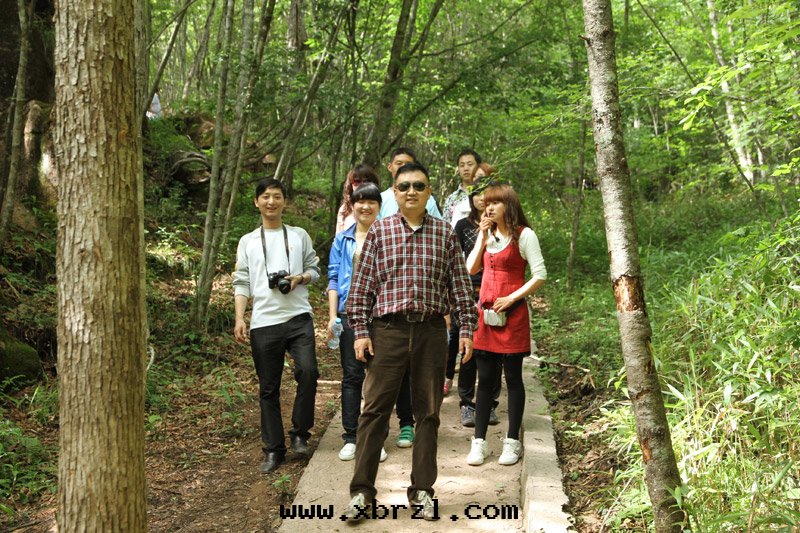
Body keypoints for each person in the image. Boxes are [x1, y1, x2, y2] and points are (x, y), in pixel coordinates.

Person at [343, 162, 477, 522]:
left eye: (419, 186)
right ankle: (361, 492)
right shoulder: (380, 231)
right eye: (404, 186)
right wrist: (360, 331)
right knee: (374, 412)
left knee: (428, 414)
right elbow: (361, 288)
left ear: (429, 192)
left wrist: (467, 330)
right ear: (395, 192)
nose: (412, 192)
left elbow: (460, 286)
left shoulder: (444, 233)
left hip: (431, 332)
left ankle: (422, 491)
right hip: (388, 332)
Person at [233, 178, 321, 474]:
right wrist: (240, 318)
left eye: (277, 196)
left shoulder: (298, 235)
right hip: (264, 322)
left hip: (298, 317)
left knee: (308, 372)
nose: (271, 201)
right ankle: (273, 449)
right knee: (268, 388)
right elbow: (241, 281)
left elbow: (314, 269)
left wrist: (301, 278)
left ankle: (300, 433)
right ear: (256, 202)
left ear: (285, 201)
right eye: (265, 197)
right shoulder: (248, 241)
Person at [464, 182, 546, 467]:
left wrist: (512, 297)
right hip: (486, 316)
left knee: (512, 379)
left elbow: (540, 274)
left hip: (512, 316)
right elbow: (471, 269)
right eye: (486, 203)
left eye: (495, 203)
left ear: (508, 205)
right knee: (485, 380)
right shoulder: (488, 236)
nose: (489, 207)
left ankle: (512, 442)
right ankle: (479, 442)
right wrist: (482, 236)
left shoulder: (525, 235)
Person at [327, 183, 389, 462]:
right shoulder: (343, 240)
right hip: (350, 314)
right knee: (352, 376)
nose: (365, 206)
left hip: (382, 314)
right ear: (352, 206)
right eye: (360, 201)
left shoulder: (389, 235)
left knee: (380, 378)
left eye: (371, 202)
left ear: (379, 206)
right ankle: (351, 436)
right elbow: (333, 278)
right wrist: (332, 316)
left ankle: (377, 438)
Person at [448, 173, 502, 429]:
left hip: (496, 293)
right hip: (468, 290)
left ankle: (490, 403)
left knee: (495, 351)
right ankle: (467, 403)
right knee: (468, 346)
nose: (482, 199)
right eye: (478, 194)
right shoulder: (462, 225)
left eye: (488, 196)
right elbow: (454, 259)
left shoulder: (504, 227)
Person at [377, 147, 442, 220]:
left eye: (408, 164)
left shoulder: (427, 199)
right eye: (399, 163)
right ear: (390, 167)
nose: (403, 166)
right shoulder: (380, 199)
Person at [335, 164, 381, 233]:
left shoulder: (384, 204)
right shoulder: (345, 209)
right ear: (351, 185)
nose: (362, 185)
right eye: (357, 182)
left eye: (366, 181)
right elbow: (339, 236)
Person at [443, 148, 481, 227]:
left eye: (470, 164)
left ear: (478, 166)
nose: (466, 168)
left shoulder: (487, 194)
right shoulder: (451, 199)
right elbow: (445, 226)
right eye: (462, 165)